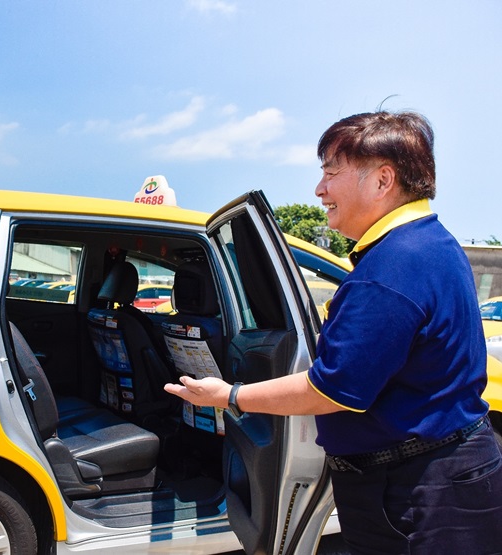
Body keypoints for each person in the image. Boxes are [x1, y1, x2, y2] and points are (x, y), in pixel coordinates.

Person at [165, 111, 502, 554]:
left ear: (383, 180)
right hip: (441, 473)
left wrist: (229, 395)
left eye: (330, 172)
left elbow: (332, 392)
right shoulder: (428, 243)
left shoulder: (390, 270)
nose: (319, 189)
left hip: (417, 490)